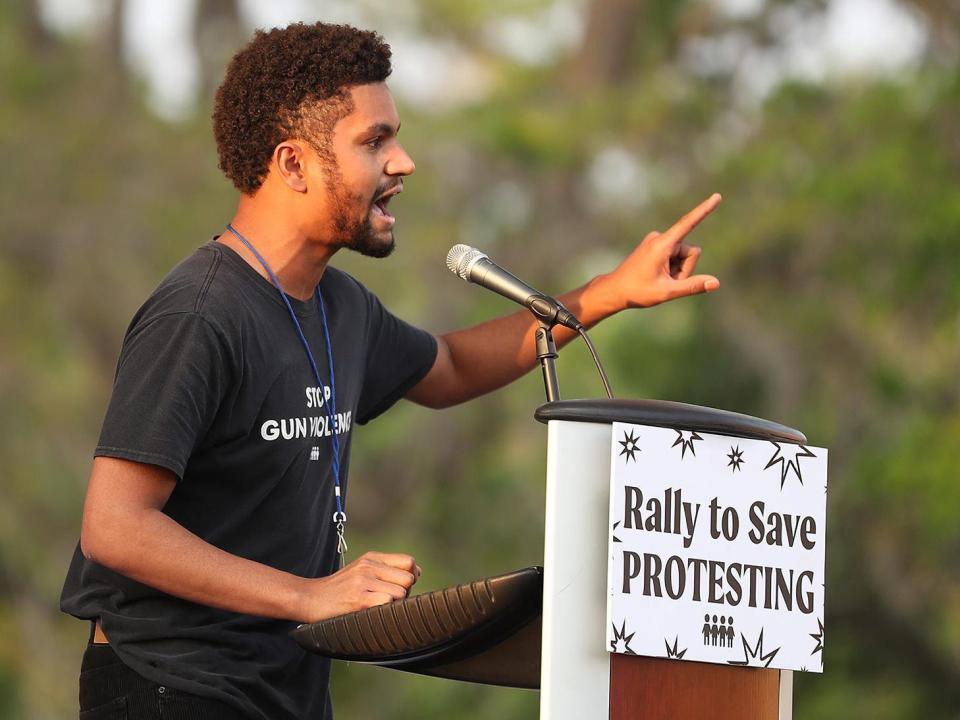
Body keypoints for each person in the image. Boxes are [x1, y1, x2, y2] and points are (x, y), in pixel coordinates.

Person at [60, 21, 722, 720]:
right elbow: (115, 525)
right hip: (168, 689)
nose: (403, 161)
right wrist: (310, 596)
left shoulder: (340, 305)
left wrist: (608, 293)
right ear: (292, 164)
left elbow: (454, 365)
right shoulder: (199, 315)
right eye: (374, 141)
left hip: (284, 687)